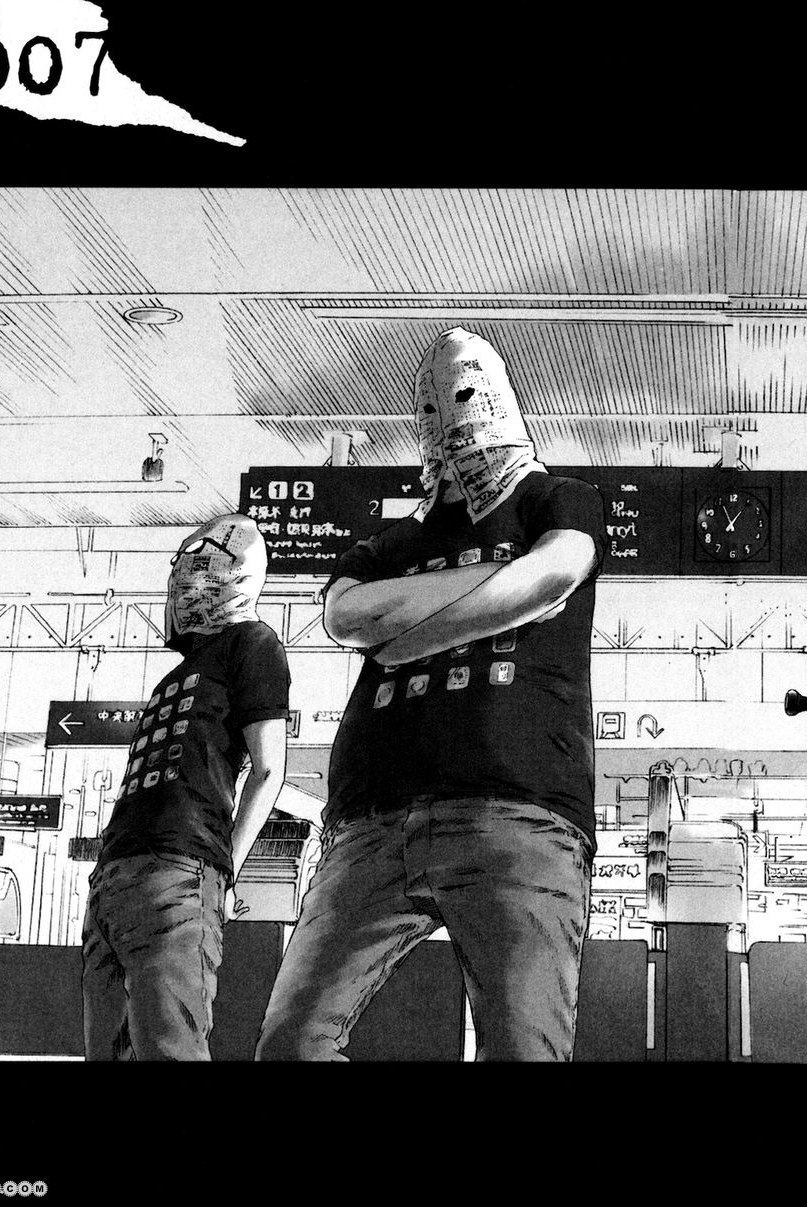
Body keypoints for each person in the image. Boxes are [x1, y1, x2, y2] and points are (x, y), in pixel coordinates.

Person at [255, 327, 603, 1062]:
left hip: (517, 808)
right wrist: (495, 598)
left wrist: (404, 635)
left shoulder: (557, 497)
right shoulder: (388, 540)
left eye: (469, 394)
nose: (452, 416)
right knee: (290, 1044)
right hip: (368, 821)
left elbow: (552, 574)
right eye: (435, 406)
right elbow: (346, 614)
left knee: (525, 1051)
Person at [82, 513, 291, 1060]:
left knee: (170, 1047)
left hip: (180, 867)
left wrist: (224, 872)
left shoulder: (253, 643)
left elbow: (269, 769)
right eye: (187, 568)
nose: (188, 581)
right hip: (118, 874)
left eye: (205, 567)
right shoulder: (176, 675)